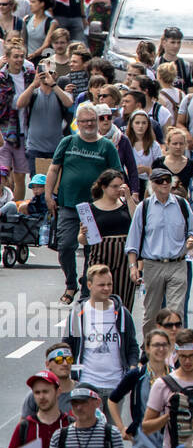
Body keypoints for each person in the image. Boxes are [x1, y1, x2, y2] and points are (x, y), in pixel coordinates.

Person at [47, 102, 123, 304]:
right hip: (68, 204)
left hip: (95, 208)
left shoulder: (106, 146)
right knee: (65, 246)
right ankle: (71, 283)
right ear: (77, 123)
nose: (88, 124)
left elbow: (117, 174)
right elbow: (54, 169)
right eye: (84, 121)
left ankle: (86, 288)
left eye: (92, 120)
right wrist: (48, 195)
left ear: (98, 122)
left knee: (92, 250)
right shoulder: (68, 142)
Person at [126, 166, 193, 324]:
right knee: (151, 312)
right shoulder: (144, 207)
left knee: (176, 312)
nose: (165, 183)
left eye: (168, 180)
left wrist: (191, 238)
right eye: (160, 181)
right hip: (153, 265)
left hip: (178, 263)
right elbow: (133, 239)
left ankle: (172, 347)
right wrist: (133, 266)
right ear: (152, 184)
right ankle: (149, 347)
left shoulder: (181, 204)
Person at [67, 263, 138, 401]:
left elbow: (132, 346)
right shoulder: (78, 314)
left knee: (114, 423)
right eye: (101, 285)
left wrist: (132, 368)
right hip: (87, 384)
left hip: (116, 385)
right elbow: (68, 345)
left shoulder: (122, 314)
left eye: (109, 284)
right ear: (89, 285)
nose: (106, 289)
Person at [8, 371, 72, 448]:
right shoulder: (25, 427)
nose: (41, 397)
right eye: (37, 392)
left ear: (58, 392)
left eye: (46, 391)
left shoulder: (70, 424)